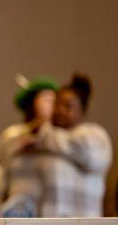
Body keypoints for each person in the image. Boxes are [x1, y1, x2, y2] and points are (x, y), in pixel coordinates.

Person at [32, 74, 112, 217]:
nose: (60, 110)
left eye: (68, 105)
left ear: (82, 110)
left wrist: (44, 131)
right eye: (57, 104)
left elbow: (89, 155)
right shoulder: (46, 139)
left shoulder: (95, 134)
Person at [0, 77, 58, 217]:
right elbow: (1, 167)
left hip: (51, 209)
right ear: (32, 102)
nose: (53, 104)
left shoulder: (61, 136)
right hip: (19, 209)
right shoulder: (14, 134)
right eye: (47, 99)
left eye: (55, 100)